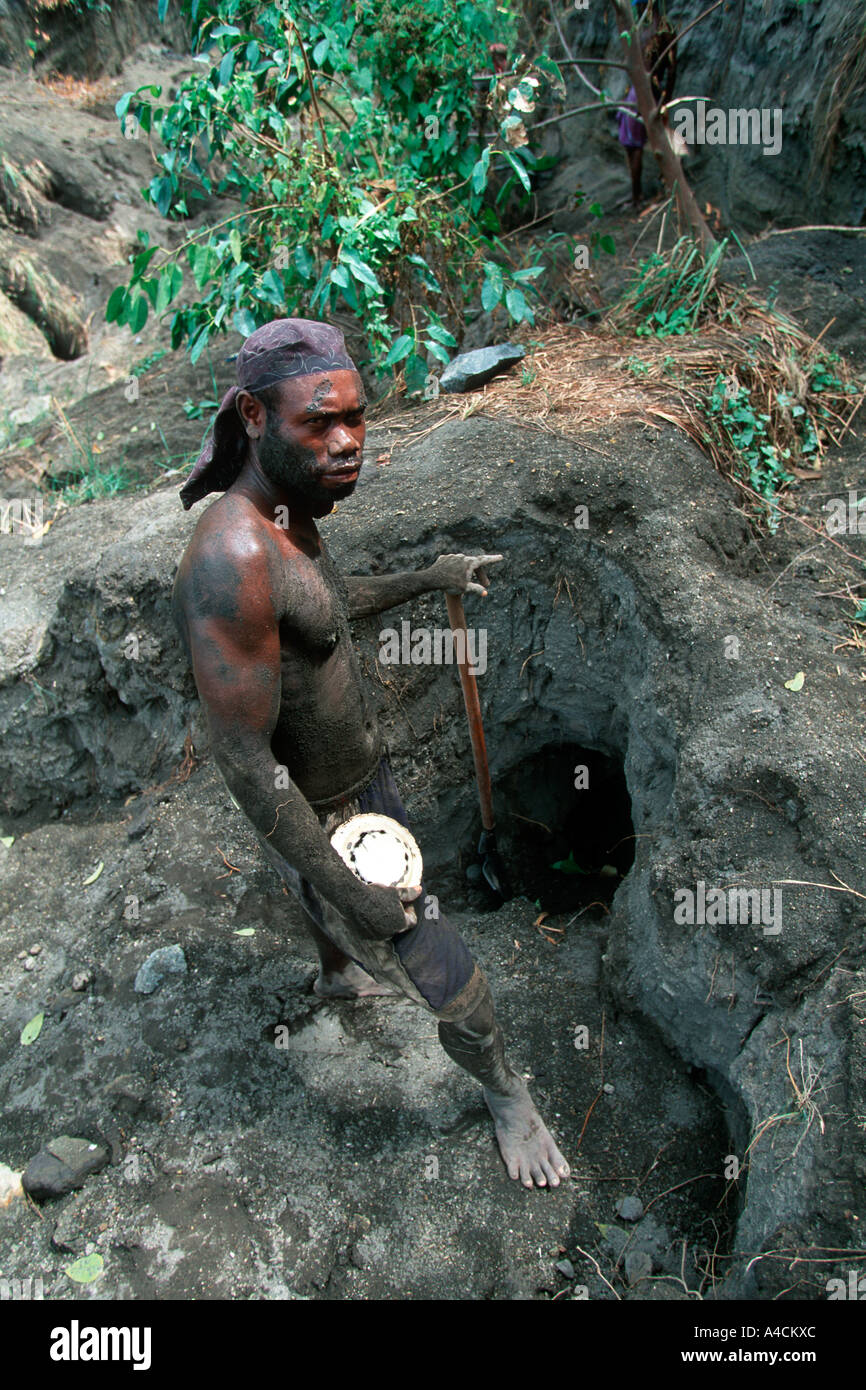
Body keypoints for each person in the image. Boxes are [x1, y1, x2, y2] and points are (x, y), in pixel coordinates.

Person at [172, 317, 571, 1190]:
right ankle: (508, 1094)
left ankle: (336, 972)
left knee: (323, 902)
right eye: (321, 423)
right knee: (446, 969)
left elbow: (328, 606)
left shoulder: (289, 511)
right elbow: (245, 761)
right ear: (251, 416)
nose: (348, 442)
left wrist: (432, 576)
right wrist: (353, 885)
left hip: (359, 778)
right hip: (329, 814)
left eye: (356, 417)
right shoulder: (232, 558)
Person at [617, 0, 678, 207]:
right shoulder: (664, 31)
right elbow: (671, 72)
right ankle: (652, 193)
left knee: (635, 147)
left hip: (642, 95)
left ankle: (638, 197)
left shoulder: (647, 34)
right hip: (651, 93)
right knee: (655, 144)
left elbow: (657, 71)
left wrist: (661, 102)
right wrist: (665, 100)